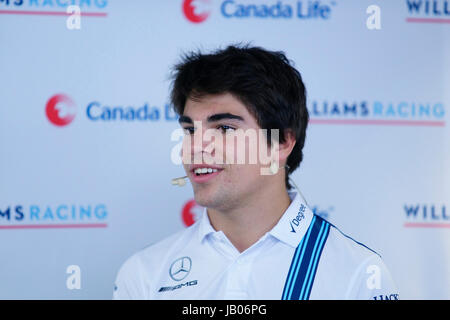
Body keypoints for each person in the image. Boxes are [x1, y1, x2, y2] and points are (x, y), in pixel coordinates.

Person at [113, 44, 399, 300]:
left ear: (282, 142)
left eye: (224, 128)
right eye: (189, 130)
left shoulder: (359, 274)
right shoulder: (144, 274)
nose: (195, 147)